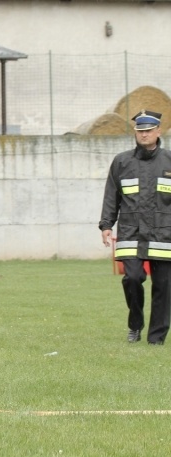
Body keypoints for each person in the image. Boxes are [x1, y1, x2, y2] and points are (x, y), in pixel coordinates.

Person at [100, 109, 171, 345]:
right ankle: (135, 324)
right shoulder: (122, 162)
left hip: (164, 233)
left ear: (158, 131)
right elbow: (112, 195)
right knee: (132, 278)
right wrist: (106, 225)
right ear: (135, 132)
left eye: (149, 130)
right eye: (140, 131)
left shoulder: (169, 160)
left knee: (163, 287)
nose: (144, 135)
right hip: (131, 232)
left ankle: (156, 338)